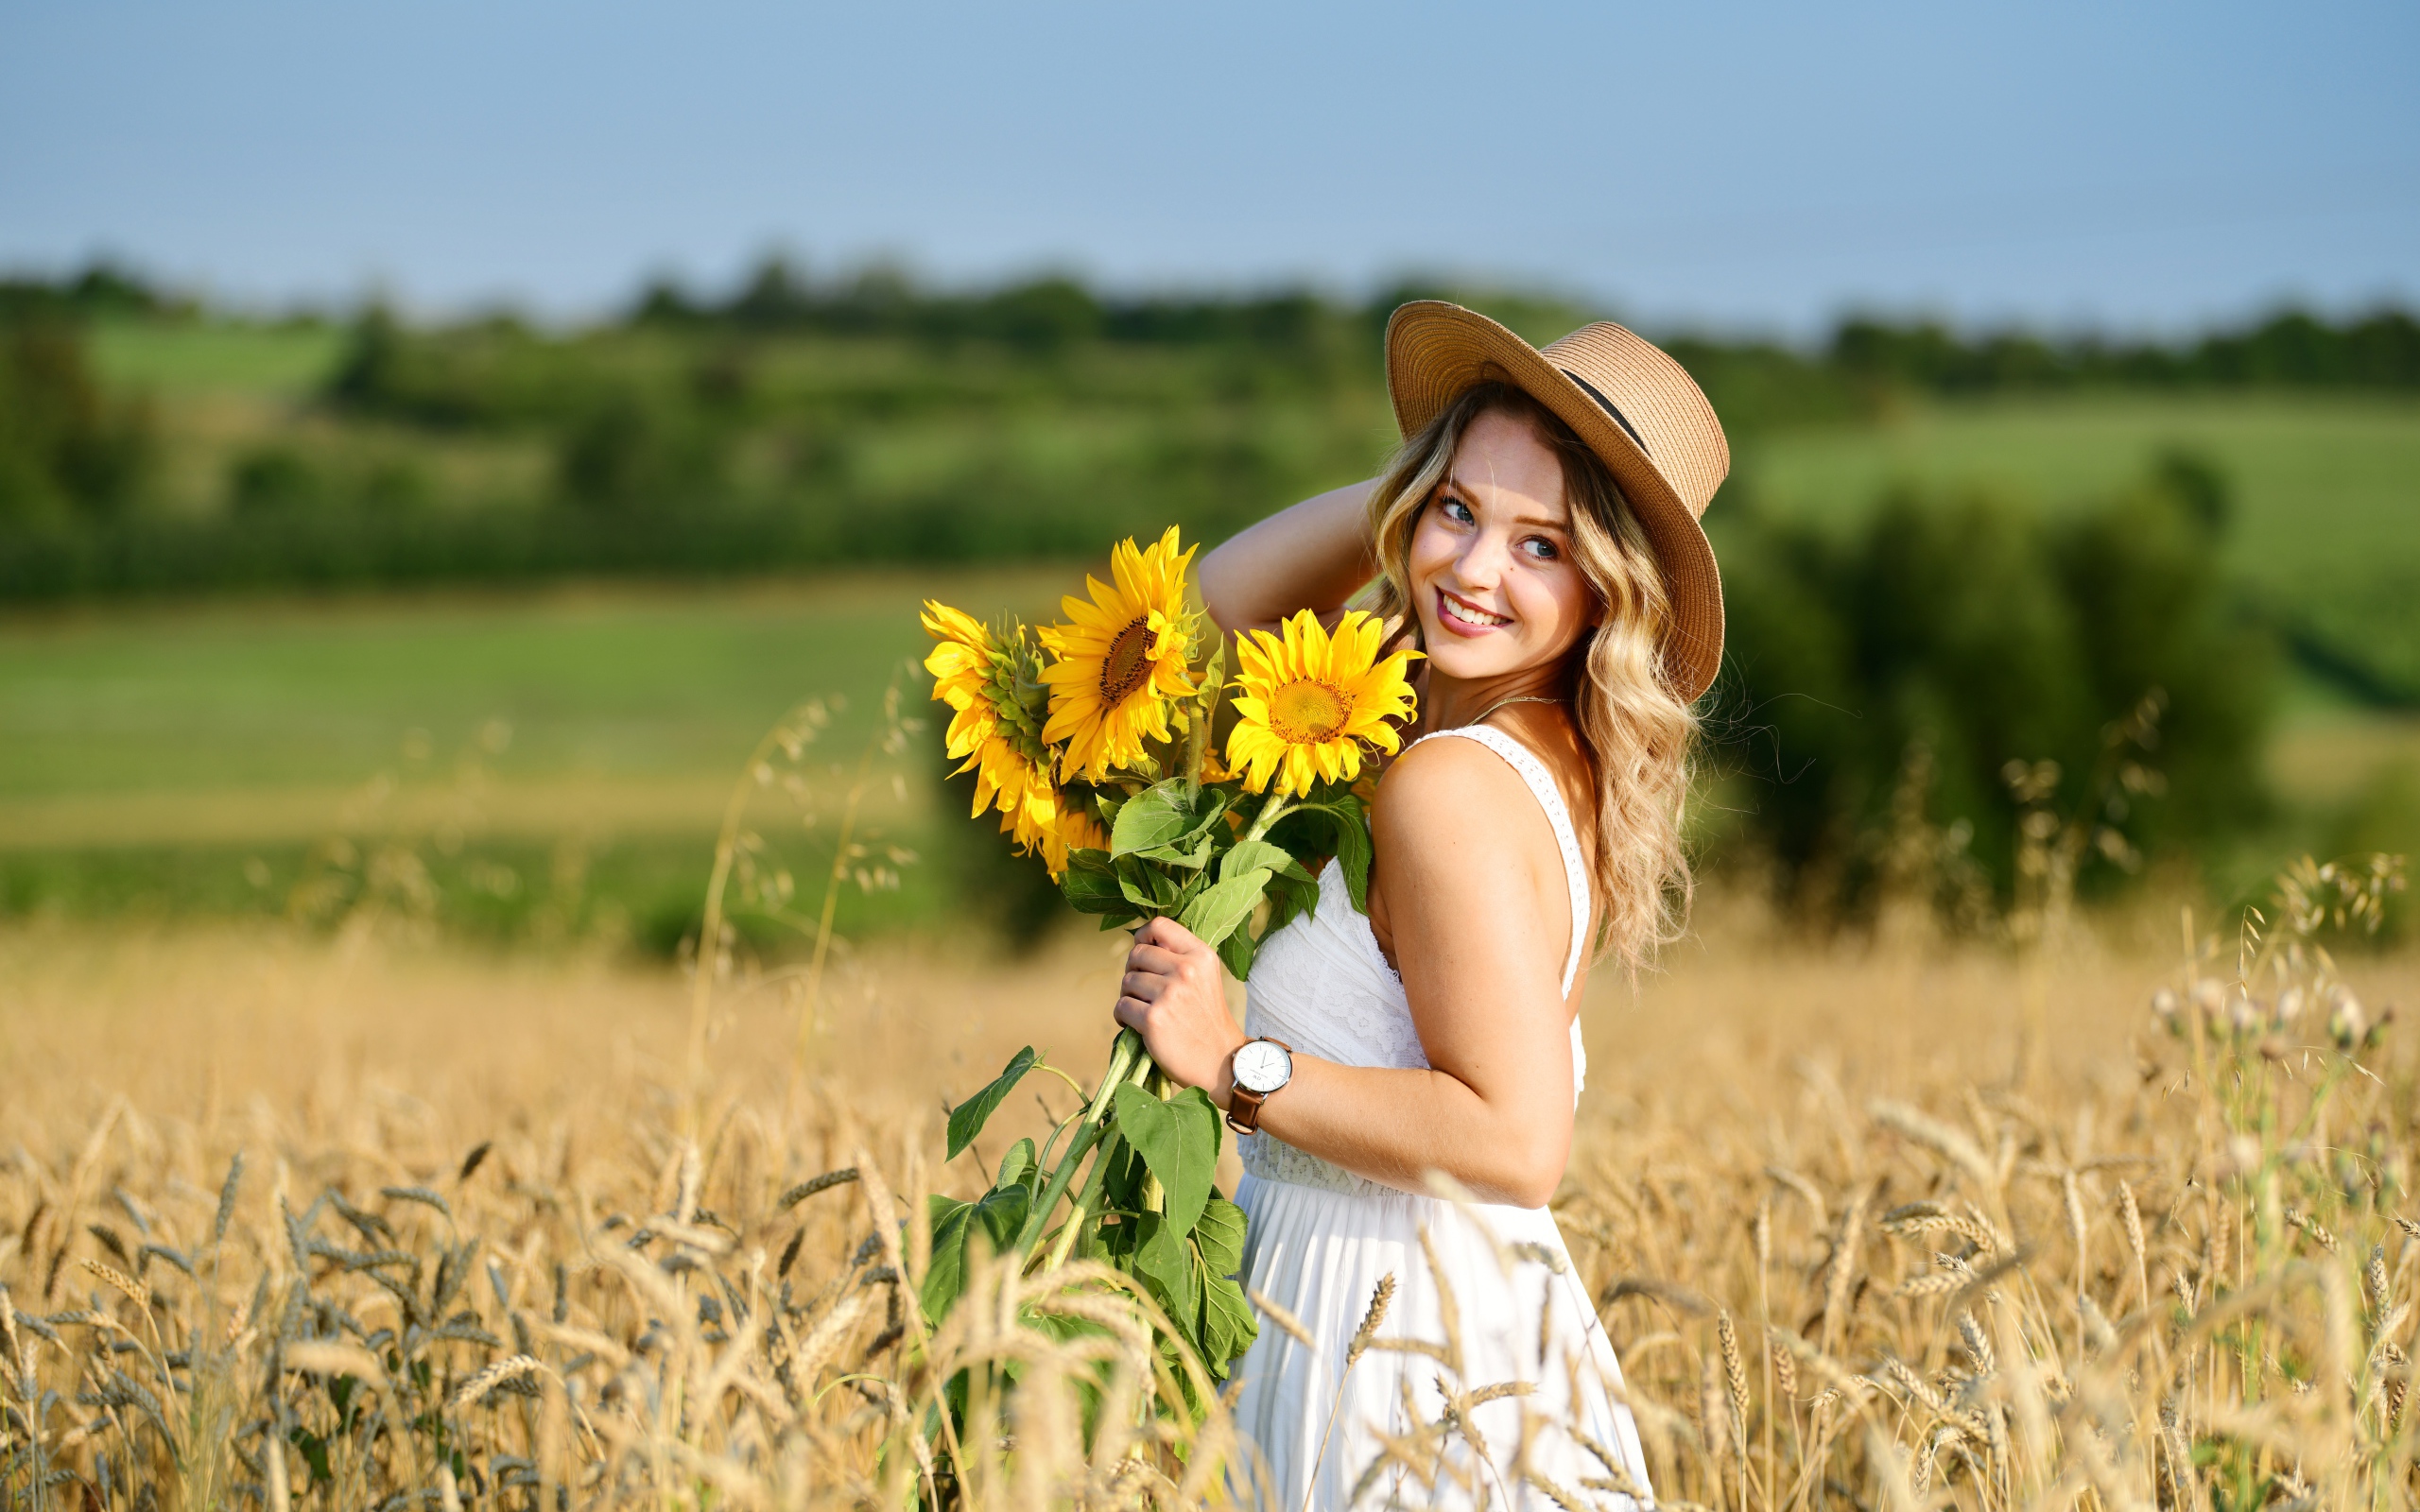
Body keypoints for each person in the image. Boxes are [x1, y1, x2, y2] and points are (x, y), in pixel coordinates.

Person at [1111, 301, 1729, 1509]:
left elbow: (1515, 1140)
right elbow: (1205, 620)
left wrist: (1236, 1064)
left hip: (1400, 1362)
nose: (1473, 570)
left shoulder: (1449, 785)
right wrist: (1416, 486)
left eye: (1541, 545)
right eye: (1459, 511)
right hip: (1406, 1324)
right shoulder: (1530, 747)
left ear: (1610, 587)